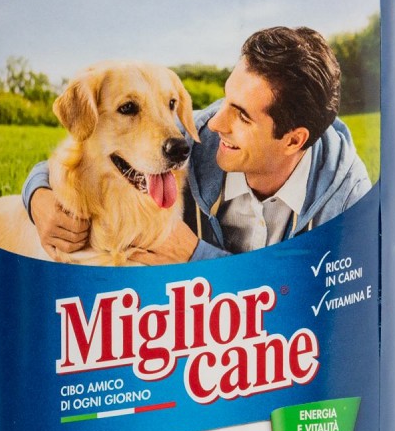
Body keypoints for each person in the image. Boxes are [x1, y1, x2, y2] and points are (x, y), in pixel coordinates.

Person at [23, 27, 373, 263]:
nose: (216, 124)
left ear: (294, 140)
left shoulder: (347, 200)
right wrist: (38, 198)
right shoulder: (198, 138)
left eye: (242, 115)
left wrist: (194, 255)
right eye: (226, 99)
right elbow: (86, 152)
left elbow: (310, 301)